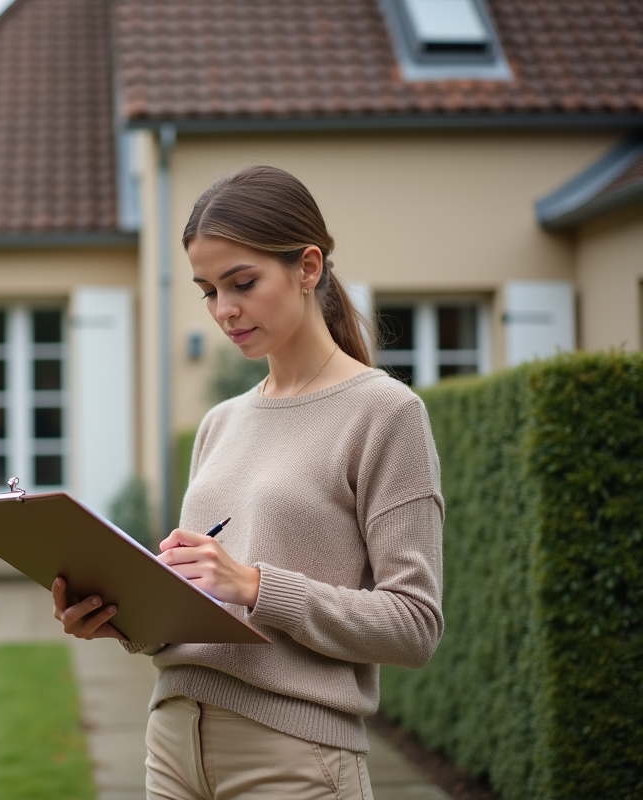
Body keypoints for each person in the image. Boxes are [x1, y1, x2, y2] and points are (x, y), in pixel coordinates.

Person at [51, 165, 444, 799]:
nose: (224, 310)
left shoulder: (386, 413)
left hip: (293, 760)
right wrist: (121, 616)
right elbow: (200, 609)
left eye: (242, 283)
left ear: (308, 267)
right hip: (172, 742)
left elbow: (414, 624)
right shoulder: (219, 423)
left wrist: (258, 585)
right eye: (207, 290)